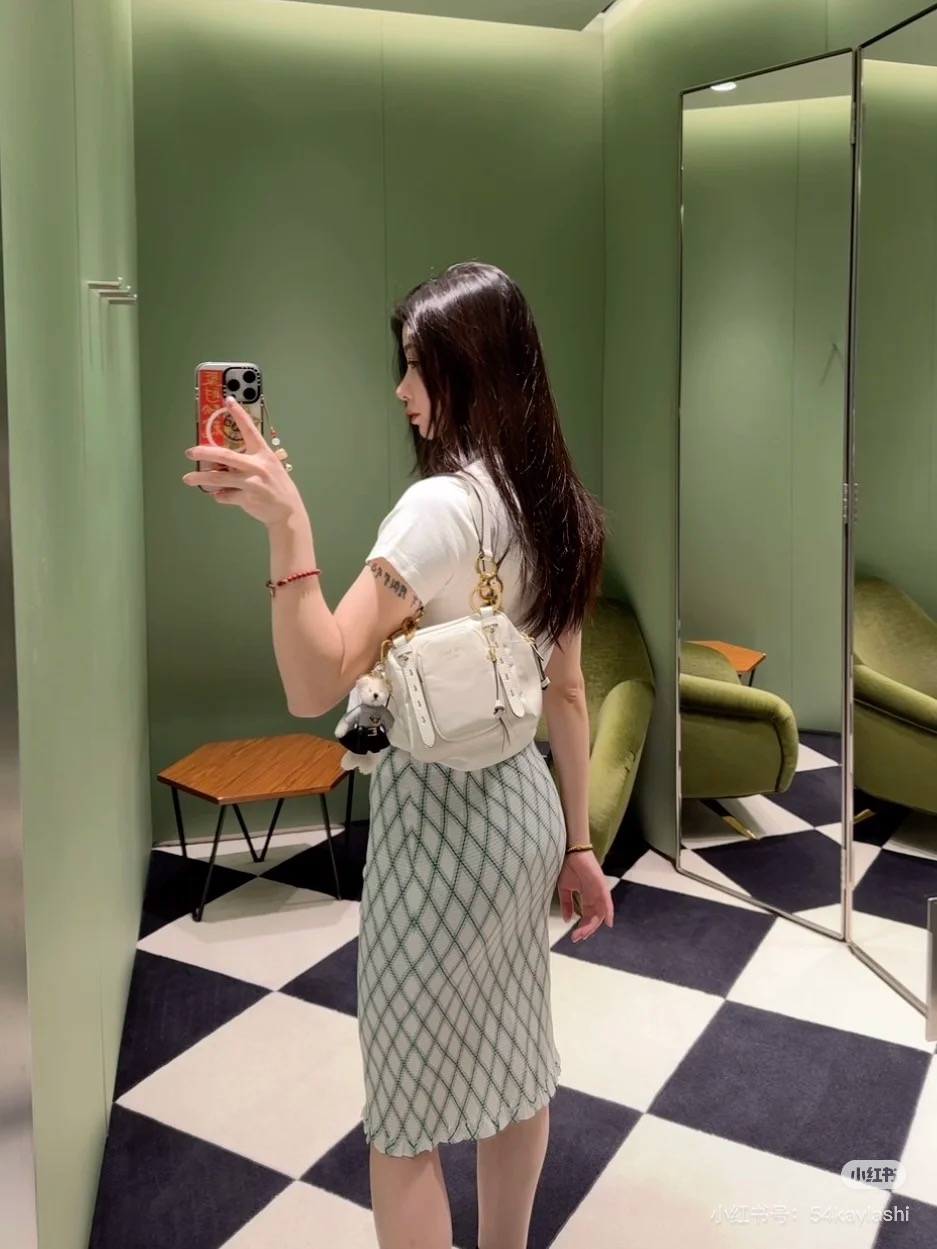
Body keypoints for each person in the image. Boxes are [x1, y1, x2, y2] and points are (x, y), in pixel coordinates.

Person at [183, 261, 615, 1249]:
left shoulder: (438, 509)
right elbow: (568, 692)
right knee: (515, 1062)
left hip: (440, 829)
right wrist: (580, 845)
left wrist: (287, 526)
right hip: (523, 813)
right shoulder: (559, 506)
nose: (401, 389)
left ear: (471, 370)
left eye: (418, 365)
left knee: (406, 1113)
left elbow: (315, 678)